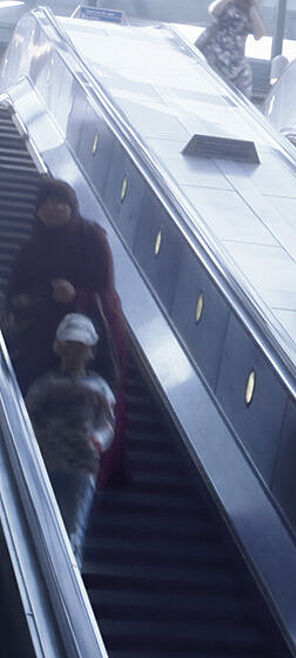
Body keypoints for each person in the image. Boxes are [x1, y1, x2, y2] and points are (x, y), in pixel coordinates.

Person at [4, 180, 124, 394]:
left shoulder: (93, 238)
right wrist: (43, 294)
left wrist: (76, 295)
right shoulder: (30, 249)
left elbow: (106, 290)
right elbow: (15, 293)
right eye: (45, 203)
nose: (52, 208)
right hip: (42, 337)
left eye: (59, 202)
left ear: (71, 205)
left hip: (84, 337)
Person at [24, 314, 116, 567]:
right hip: (47, 463)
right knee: (42, 519)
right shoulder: (45, 385)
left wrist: (97, 441)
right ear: (58, 347)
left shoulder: (99, 387)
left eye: (81, 347)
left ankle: (70, 572)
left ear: (91, 351)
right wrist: (37, 440)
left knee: (74, 527)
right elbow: (29, 416)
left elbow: (108, 422)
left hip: (82, 467)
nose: (74, 352)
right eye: (70, 345)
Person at [195, 0, 265, 95]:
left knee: (240, 90)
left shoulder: (251, 9)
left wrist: (253, 10)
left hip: (235, 58)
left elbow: (259, 35)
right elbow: (213, 11)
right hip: (214, 50)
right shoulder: (228, 4)